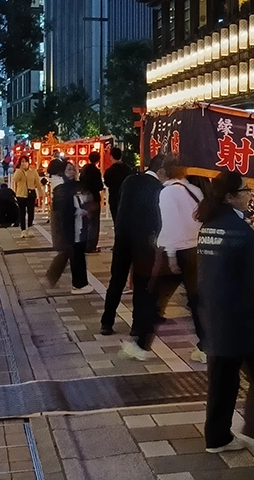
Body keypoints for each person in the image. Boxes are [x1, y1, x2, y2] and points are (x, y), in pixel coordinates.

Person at [196, 172, 254, 454]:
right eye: (244, 190)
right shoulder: (240, 230)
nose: (249, 195)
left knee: (222, 376)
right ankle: (252, 426)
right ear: (231, 196)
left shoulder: (209, 225)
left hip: (216, 312)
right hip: (244, 317)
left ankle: (216, 436)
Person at [101, 154, 167, 340]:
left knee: (117, 280)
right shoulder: (158, 188)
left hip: (122, 237)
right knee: (141, 283)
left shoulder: (130, 180)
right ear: (161, 171)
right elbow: (157, 218)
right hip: (144, 242)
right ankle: (137, 326)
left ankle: (107, 322)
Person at [154, 159, 207, 363]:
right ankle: (205, 345)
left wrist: (171, 255)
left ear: (164, 173)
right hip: (196, 248)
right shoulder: (194, 190)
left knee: (155, 297)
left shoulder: (167, 193)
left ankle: (140, 343)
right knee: (195, 300)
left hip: (179, 250)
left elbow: (171, 226)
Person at [46, 162, 94, 294]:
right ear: (63, 172)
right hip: (70, 228)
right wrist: (78, 211)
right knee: (74, 255)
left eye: (73, 169)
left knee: (76, 254)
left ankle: (79, 283)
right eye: (69, 169)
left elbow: (86, 200)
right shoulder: (61, 188)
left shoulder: (76, 186)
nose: (72, 172)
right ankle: (78, 284)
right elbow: (63, 211)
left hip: (78, 227)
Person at [11, 156, 43, 238]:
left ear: (28, 162)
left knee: (31, 212)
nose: (24, 163)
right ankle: (23, 230)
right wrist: (19, 170)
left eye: (25, 161)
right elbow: (15, 179)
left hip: (31, 194)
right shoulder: (18, 171)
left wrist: (41, 193)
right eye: (22, 161)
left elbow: (38, 183)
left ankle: (30, 227)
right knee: (22, 213)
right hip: (21, 194)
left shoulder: (33, 171)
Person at [80, 151, 104, 253]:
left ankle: (84, 244)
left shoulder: (84, 169)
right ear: (98, 159)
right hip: (93, 198)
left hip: (84, 198)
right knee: (94, 223)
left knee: (85, 222)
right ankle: (91, 246)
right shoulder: (96, 171)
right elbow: (99, 186)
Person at [103, 147, 132, 221]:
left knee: (116, 220)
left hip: (114, 198)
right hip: (127, 198)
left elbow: (107, 183)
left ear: (111, 156)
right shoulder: (128, 169)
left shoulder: (109, 171)